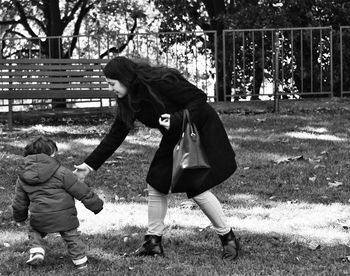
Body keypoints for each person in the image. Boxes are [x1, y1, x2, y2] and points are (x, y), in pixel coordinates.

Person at [74, 56, 240, 260]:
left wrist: (177, 119)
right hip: (175, 136)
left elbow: (198, 97)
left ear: (124, 78)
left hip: (200, 132)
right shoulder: (129, 100)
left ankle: (228, 238)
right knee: (157, 183)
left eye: (112, 84)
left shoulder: (160, 81)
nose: (111, 89)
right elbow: (116, 134)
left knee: (197, 187)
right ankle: (153, 243)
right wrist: (89, 165)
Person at [12, 136, 104, 269]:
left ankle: (37, 250)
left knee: (35, 232)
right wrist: (96, 204)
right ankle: (80, 261)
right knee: (72, 237)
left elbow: (19, 201)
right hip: (65, 217)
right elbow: (81, 190)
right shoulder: (62, 172)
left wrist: (19, 218)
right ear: (50, 155)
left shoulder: (23, 177)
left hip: (40, 217)